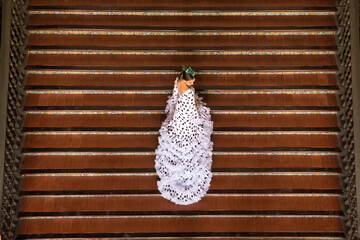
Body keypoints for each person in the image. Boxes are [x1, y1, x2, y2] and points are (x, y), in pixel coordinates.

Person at [154, 66, 214, 205]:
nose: (192, 83)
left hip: (184, 122)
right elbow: (185, 110)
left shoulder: (181, 85)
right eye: (192, 81)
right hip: (184, 124)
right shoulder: (184, 91)